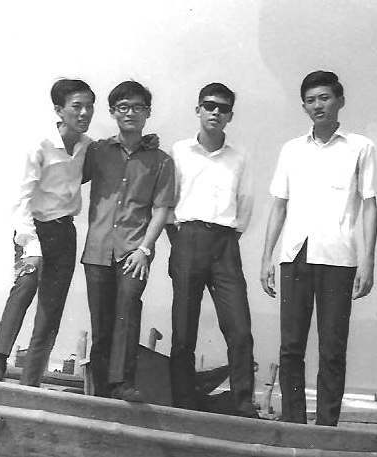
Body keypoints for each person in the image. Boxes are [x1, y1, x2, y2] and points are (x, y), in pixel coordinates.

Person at [260, 70, 377, 426]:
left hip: (338, 258)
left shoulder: (360, 147)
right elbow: (278, 205)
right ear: (304, 107)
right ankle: (294, 425)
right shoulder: (292, 149)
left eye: (324, 98)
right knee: (291, 347)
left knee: (332, 349)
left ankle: (326, 429)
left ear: (339, 101)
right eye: (310, 100)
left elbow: (369, 205)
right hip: (295, 256)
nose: (317, 105)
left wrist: (368, 261)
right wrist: (266, 257)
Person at [0, 79, 95, 385]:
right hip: (33, 229)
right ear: (59, 109)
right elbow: (22, 199)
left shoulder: (88, 147)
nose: (84, 113)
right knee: (25, 286)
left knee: (51, 309)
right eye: (77, 106)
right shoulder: (40, 144)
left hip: (64, 232)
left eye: (89, 106)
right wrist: (31, 247)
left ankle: (30, 380)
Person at [167, 83, 258, 418]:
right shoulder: (180, 151)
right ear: (198, 110)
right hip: (187, 238)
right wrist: (179, 241)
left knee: (239, 327)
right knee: (183, 329)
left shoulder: (240, 156)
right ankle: (183, 403)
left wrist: (228, 238)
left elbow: (245, 204)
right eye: (209, 106)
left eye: (223, 108)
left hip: (224, 243)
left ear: (230, 115)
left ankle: (243, 402)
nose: (215, 112)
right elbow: (167, 201)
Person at [82, 80, 176, 402]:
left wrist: (145, 249)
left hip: (134, 250)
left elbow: (162, 208)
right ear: (112, 112)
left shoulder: (161, 160)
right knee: (101, 324)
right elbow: (71, 172)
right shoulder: (98, 151)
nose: (130, 113)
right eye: (123, 107)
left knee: (128, 308)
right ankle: (100, 393)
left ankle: (123, 383)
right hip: (97, 249)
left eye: (137, 107)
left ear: (147, 112)